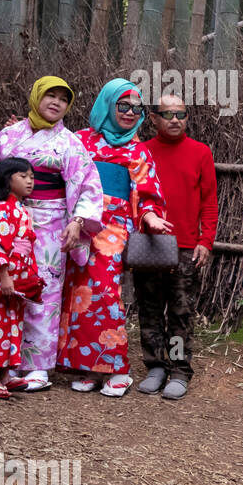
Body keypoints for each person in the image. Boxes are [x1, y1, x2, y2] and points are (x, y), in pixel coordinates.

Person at [0, 77, 103, 391]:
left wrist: (77, 221)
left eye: (64, 99)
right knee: (1, 286)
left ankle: (37, 366)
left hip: (50, 222)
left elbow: (87, 184)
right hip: (7, 221)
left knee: (43, 289)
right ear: (36, 97)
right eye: (50, 95)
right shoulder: (9, 135)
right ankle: (0, 360)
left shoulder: (69, 142)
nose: (56, 103)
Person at [57, 80, 172, 397]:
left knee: (106, 294)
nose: (130, 113)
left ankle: (117, 368)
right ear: (107, 104)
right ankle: (88, 368)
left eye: (137, 108)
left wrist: (150, 217)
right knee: (77, 293)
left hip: (115, 229)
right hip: (78, 225)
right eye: (123, 105)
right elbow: (54, 169)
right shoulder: (80, 140)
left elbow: (147, 194)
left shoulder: (139, 150)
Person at [135, 94, 219, 400]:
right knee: (150, 307)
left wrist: (205, 240)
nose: (174, 119)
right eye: (167, 114)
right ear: (153, 118)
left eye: (180, 114)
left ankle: (179, 369)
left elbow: (209, 201)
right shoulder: (141, 152)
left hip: (185, 246)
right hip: (150, 242)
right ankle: (155, 365)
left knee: (181, 312)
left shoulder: (200, 153)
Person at [0, 159, 42, 399]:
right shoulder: (3, 208)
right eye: (23, 176)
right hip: (3, 278)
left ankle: (5, 374)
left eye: (32, 177)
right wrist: (4, 275)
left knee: (12, 323)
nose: (30, 181)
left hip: (17, 278)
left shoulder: (19, 209)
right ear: (7, 179)